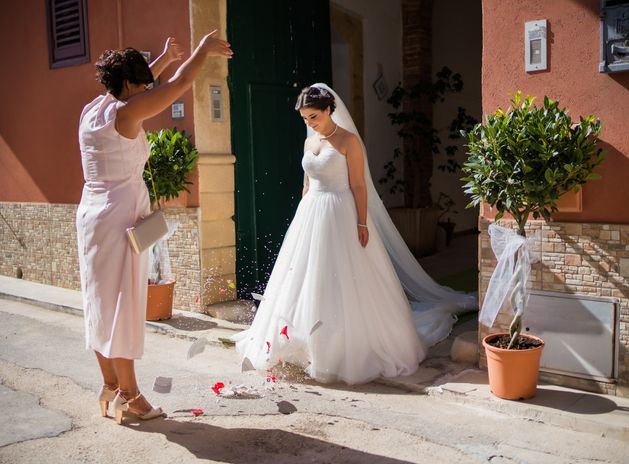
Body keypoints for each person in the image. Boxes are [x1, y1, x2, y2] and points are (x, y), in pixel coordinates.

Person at [232, 84, 476, 385]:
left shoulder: (348, 141)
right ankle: (303, 344)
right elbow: (306, 183)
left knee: (345, 278)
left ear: (329, 110)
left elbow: (359, 186)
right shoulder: (310, 143)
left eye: (314, 117)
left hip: (341, 212)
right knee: (307, 278)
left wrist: (361, 224)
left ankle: (343, 348)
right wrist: (301, 216)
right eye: (305, 118)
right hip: (311, 214)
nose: (309, 123)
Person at [77, 32, 232, 424]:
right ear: (130, 85)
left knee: (99, 305)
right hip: (119, 220)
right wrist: (202, 51)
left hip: (92, 215)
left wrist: (161, 58)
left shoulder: (93, 110)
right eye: (144, 83)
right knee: (123, 307)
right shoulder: (125, 115)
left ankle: (110, 385)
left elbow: (142, 88)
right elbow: (178, 85)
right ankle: (132, 399)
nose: (150, 88)